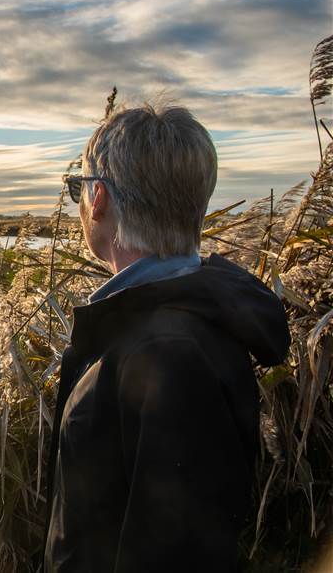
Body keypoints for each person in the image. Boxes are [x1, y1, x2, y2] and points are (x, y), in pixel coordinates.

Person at [44, 104, 290, 572]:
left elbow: (178, 554)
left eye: (80, 187)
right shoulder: (162, 323)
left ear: (99, 199)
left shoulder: (170, 354)